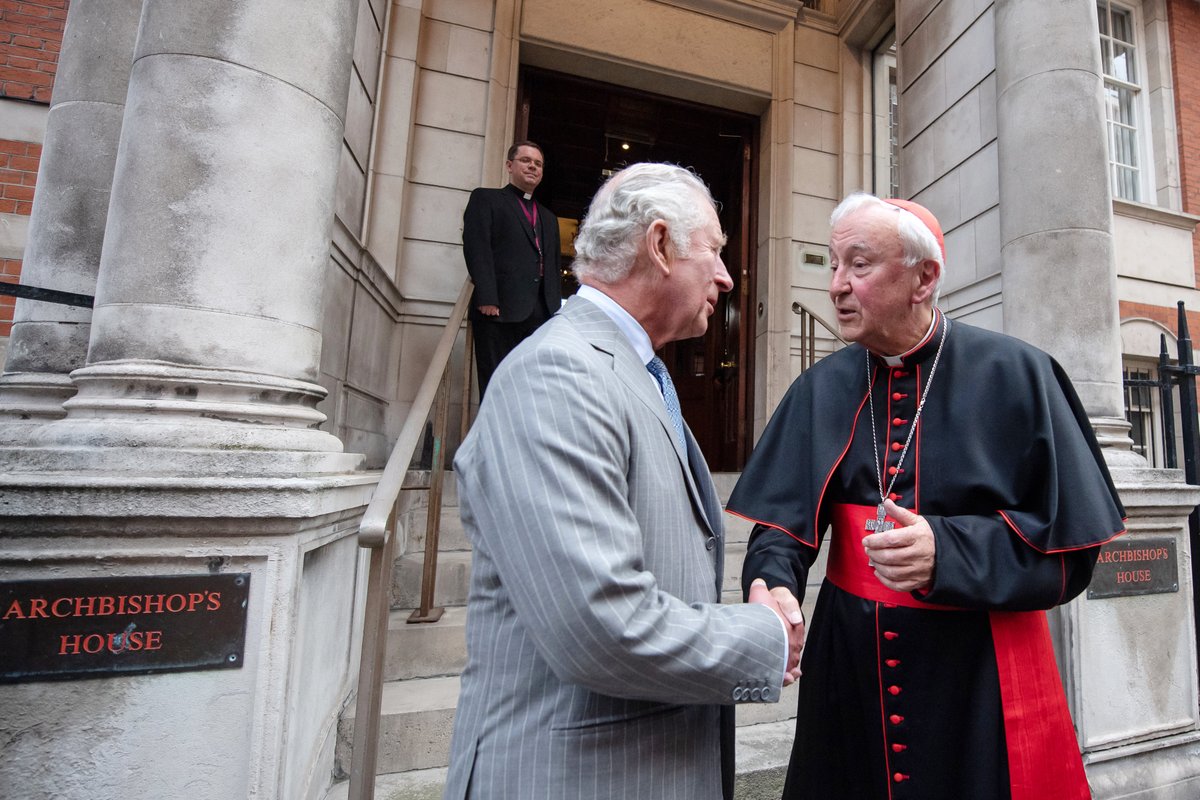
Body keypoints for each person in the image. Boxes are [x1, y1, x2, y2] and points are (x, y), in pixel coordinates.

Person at [726, 192, 1126, 800]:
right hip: (849, 672)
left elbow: (1074, 559)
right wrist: (770, 581)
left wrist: (950, 551)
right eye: (833, 265)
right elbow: (781, 525)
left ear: (924, 277)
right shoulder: (819, 388)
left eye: (858, 265)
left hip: (977, 677)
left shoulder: (1017, 373)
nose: (836, 286)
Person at [444, 163, 803, 800]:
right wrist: (765, 638)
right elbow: (599, 626)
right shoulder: (557, 374)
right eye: (715, 251)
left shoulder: (632, 372)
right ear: (660, 246)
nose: (725, 276)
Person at [462, 140, 563, 398]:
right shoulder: (486, 198)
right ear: (509, 165)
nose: (533, 167)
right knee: (496, 384)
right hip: (499, 311)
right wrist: (487, 296)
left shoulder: (549, 218)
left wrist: (556, 312)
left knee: (531, 386)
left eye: (538, 164)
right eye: (526, 161)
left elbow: (552, 266)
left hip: (540, 314)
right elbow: (477, 246)